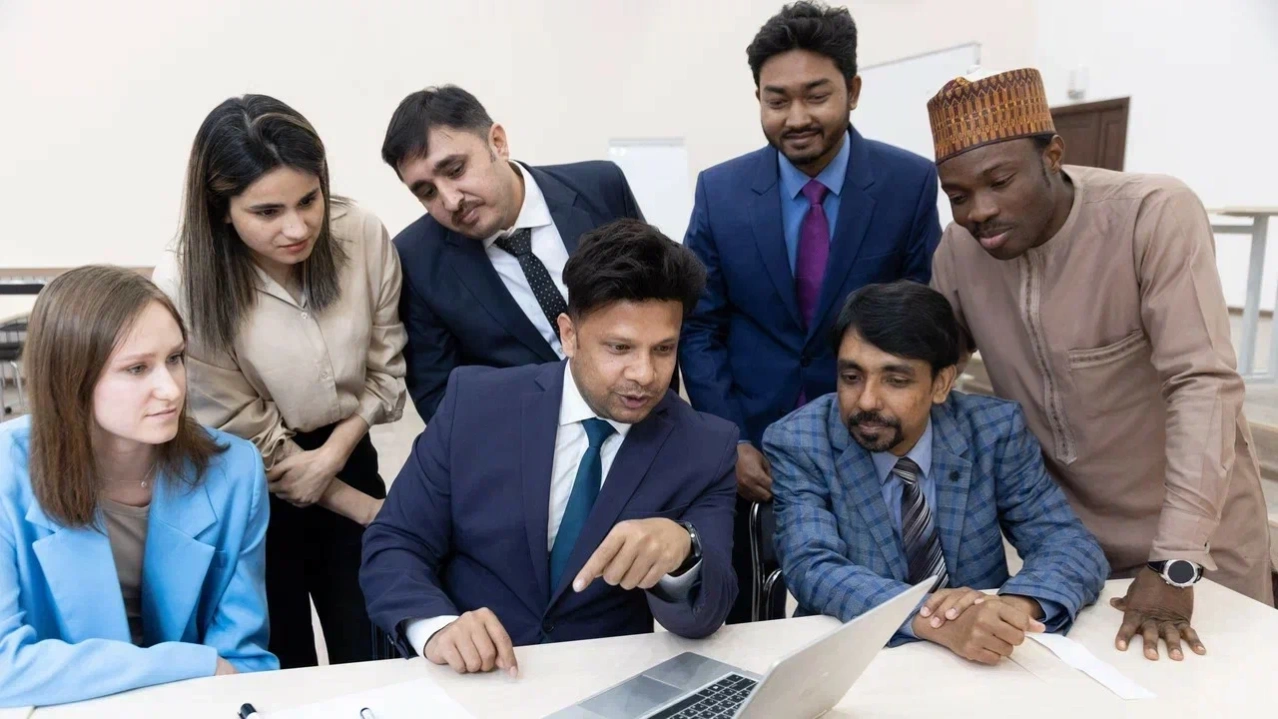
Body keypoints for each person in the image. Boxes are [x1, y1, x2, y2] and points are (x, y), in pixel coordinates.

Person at [926, 68, 1274, 661]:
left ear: (1052, 156)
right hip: (1076, 553)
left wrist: (1176, 561)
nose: (978, 211)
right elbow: (927, 373)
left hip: (1199, 545)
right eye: (958, 196)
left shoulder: (1151, 215)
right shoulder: (960, 253)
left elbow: (1203, 385)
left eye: (1000, 181)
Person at [361, 219, 738, 674]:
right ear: (569, 334)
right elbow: (396, 541)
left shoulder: (706, 447)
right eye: (620, 348)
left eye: (663, 349)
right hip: (473, 677)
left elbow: (707, 613)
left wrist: (685, 551)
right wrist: (437, 628)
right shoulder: (475, 404)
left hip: (606, 684)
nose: (644, 373)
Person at [680, 1, 942, 623]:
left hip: (867, 438)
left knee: (865, 609)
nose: (796, 118)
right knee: (750, 609)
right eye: (777, 100)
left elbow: (922, 324)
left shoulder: (907, 184)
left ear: (853, 91)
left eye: (816, 95)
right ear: (759, 99)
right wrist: (729, 439)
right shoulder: (720, 191)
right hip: (754, 441)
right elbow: (699, 325)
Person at [152, 95, 407, 669]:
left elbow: (386, 369)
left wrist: (335, 457)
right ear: (220, 209)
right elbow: (238, 422)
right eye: (267, 212)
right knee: (281, 664)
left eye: (309, 200)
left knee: (376, 651)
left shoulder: (361, 233)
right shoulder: (184, 279)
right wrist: (361, 508)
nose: (297, 228)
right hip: (248, 483)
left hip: (348, 448)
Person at [766, 281, 1108, 665]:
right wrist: (939, 622)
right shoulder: (801, 441)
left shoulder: (992, 431)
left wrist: (1010, 610)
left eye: (896, 380)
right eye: (851, 377)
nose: (866, 400)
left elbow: (1066, 542)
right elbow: (812, 567)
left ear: (941, 384)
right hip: (856, 658)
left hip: (979, 663)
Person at [0, 266, 276, 707]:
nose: (171, 389)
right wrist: (184, 664)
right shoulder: (7, 469)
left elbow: (243, 659)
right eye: (136, 368)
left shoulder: (234, 469)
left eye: (175, 358)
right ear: (70, 378)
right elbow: (4, 667)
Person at [381, 85, 646, 421]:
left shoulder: (600, 188)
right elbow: (443, 403)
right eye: (427, 192)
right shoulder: (416, 260)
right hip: (526, 438)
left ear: (498, 143)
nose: (450, 200)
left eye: (455, 170)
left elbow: (659, 302)